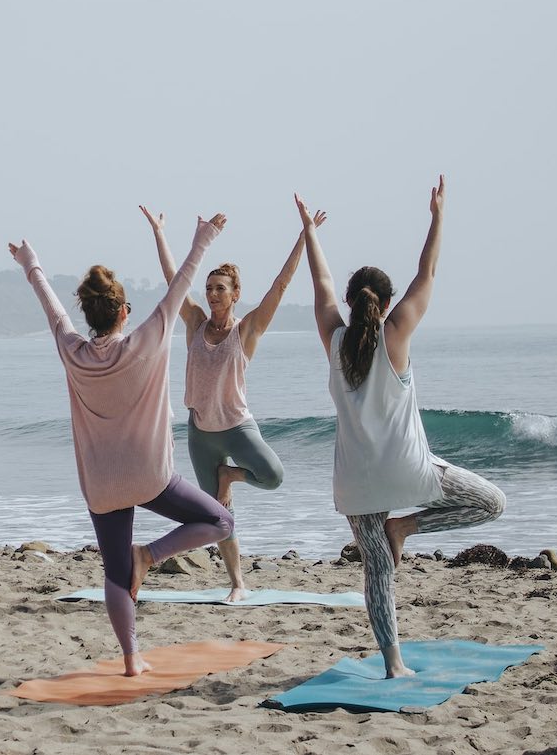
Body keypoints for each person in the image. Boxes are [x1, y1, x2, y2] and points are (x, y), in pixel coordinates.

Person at [9, 209, 234, 676]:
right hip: (151, 477)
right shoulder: (146, 341)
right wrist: (204, 239)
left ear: (89, 315)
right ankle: (149, 556)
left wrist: (31, 263)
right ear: (124, 311)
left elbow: (51, 307)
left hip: (102, 486)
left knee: (114, 574)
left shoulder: (72, 350)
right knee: (221, 521)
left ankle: (132, 661)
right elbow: (181, 287)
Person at [296, 177, 505, 677]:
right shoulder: (397, 335)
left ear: (350, 303)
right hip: (409, 472)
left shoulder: (334, 340)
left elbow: (320, 286)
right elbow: (427, 271)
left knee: (377, 572)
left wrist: (310, 232)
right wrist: (437, 217)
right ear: (386, 304)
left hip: (356, 483)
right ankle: (406, 525)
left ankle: (394, 664)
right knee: (491, 503)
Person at [141, 205, 326, 602]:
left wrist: (303, 236)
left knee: (273, 475)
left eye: (220, 288)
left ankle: (231, 476)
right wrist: (159, 232)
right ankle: (238, 583)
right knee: (219, 519)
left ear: (236, 294)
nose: (211, 294)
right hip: (201, 433)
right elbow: (175, 279)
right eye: (209, 288)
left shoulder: (248, 330)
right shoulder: (193, 323)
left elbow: (280, 285)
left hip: (238, 427)